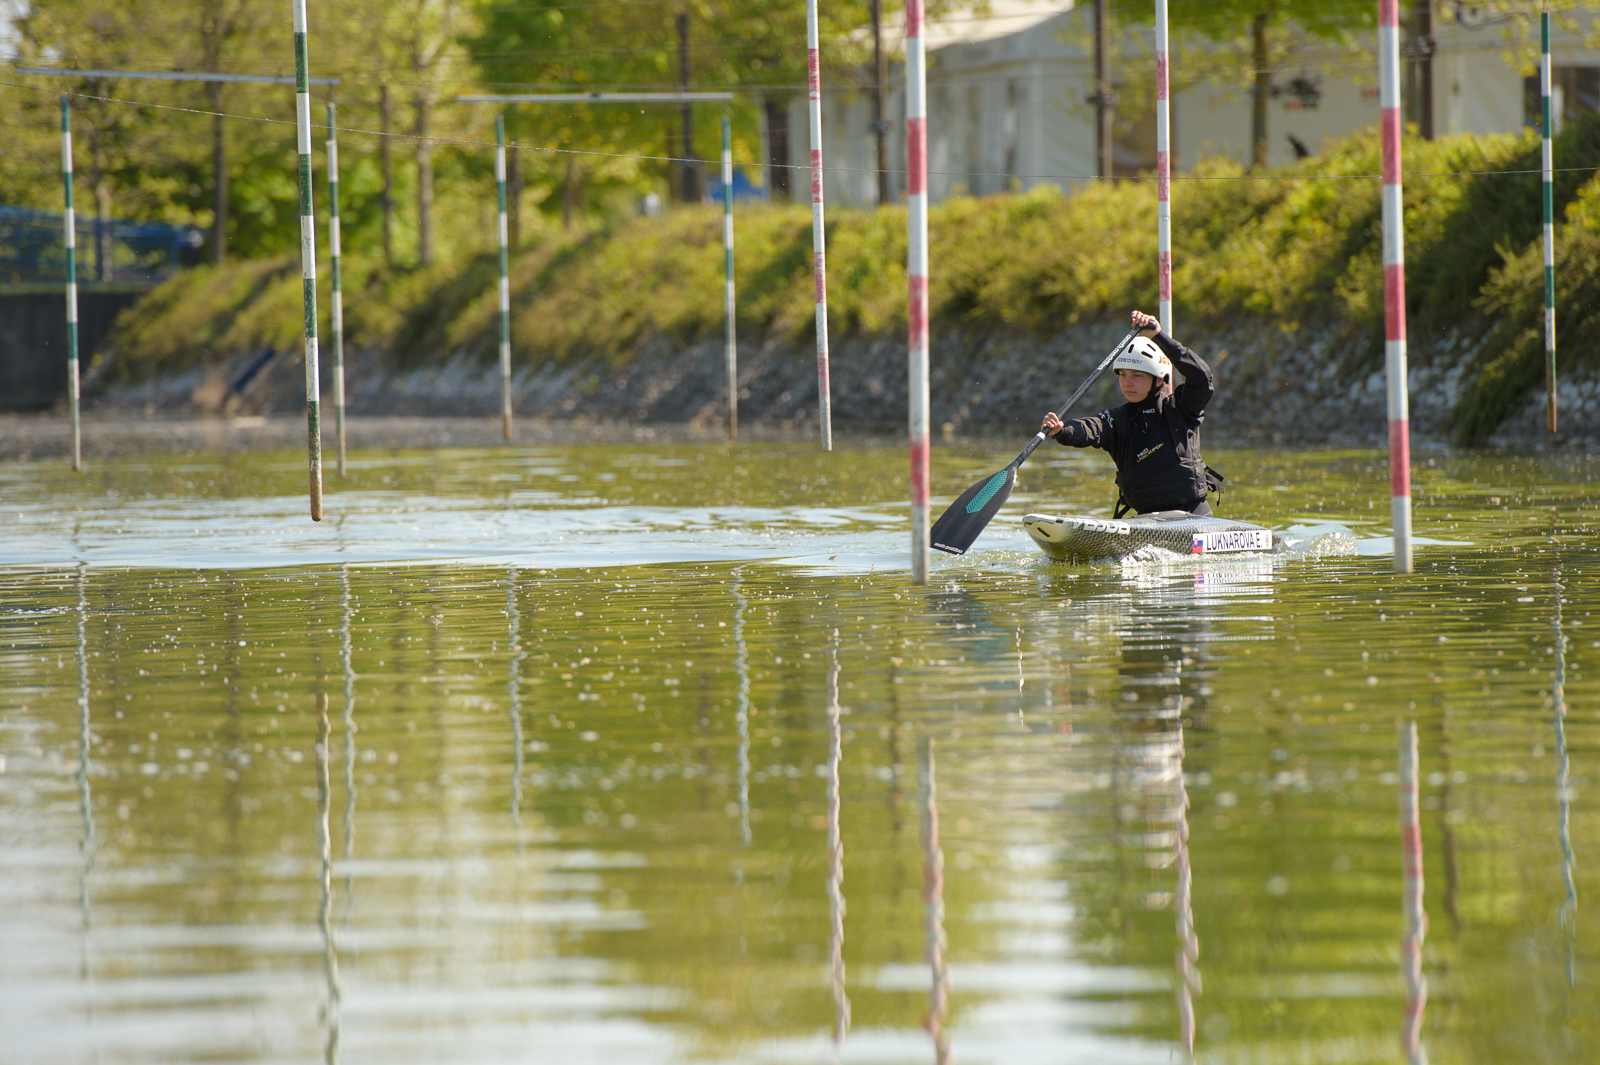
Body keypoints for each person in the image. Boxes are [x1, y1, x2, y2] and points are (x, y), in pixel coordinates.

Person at [1041, 309, 1219, 517]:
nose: (1127, 383)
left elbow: (1201, 378)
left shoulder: (1182, 408)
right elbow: (1090, 427)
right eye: (1123, 375)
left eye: (1137, 375)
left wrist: (1158, 336)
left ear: (1160, 379)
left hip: (1193, 516)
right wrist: (1062, 430)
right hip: (1145, 522)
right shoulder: (1116, 421)